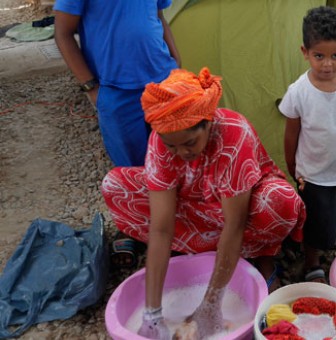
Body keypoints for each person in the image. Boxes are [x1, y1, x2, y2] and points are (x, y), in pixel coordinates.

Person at [101, 67, 306, 339]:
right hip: (195, 208)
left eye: (190, 142)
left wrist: (209, 304)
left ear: (208, 122)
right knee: (115, 186)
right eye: (172, 147)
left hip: (241, 212)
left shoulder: (233, 136)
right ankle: (205, 258)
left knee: (280, 201)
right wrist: (151, 313)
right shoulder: (161, 142)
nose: (181, 153)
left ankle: (261, 257)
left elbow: (234, 225)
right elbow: (161, 229)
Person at [279, 6, 336, 284]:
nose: (328, 64)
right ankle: (313, 262)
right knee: (317, 223)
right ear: (305, 52)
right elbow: (291, 134)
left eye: (335, 56)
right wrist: (294, 168)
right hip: (316, 175)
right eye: (319, 56)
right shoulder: (299, 92)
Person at [54, 0, 181, 167]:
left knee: (174, 156)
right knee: (133, 167)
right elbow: (63, 33)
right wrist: (90, 87)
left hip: (163, 79)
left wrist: (177, 63)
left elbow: (159, 17)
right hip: (116, 91)